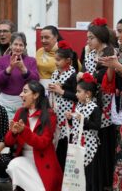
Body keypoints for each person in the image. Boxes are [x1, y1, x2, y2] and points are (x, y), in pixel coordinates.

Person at [78, 17, 116, 190]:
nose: (88, 41)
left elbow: (105, 78)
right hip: (92, 98)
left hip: (106, 100)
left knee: (104, 136)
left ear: (100, 37)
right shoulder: (90, 53)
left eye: (91, 37)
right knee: (93, 136)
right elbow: (88, 73)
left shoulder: (109, 52)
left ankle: (106, 179)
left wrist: (88, 78)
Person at [5, 80, 63, 191]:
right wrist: (13, 132)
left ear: (35, 95)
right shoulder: (20, 112)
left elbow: (42, 143)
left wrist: (24, 131)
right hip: (25, 161)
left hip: (44, 162)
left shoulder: (49, 115)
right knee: (13, 165)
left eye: (25, 91)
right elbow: (8, 142)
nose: (20, 94)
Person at [99, 12, 122, 191]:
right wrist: (111, 66)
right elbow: (110, 80)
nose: (117, 35)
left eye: (120, 31)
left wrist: (117, 65)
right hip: (120, 102)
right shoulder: (119, 51)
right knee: (120, 147)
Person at [66, 72, 101, 191]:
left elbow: (96, 126)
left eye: (78, 92)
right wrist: (70, 119)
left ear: (88, 94)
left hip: (89, 143)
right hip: (77, 141)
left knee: (89, 171)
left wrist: (83, 120)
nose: (76, 94)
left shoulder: (94, 108)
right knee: (78, 169)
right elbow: (75, 126)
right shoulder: (79, 106)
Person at [0, 32, 39, 120]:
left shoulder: (31, 61)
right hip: (5, 101)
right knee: (6, 129)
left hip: (25, 101)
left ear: (24, 47)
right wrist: (10, 68)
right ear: (10, 45)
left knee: (22, 129)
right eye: (15, 44)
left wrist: (23, 68)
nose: (18, 47)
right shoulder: (0, 60)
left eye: (21, 45)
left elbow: (36, 81)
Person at [48, 40, 77, 170]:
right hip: (55, 111)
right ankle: (57, 170)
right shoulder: (55, 73)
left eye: (59, 60)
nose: (56, 62)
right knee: (56, 140)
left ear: (68, 61)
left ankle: (65, 171)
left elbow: (77, 96)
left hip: (67, 113)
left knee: (66, 142)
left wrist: (61, 91)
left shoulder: (73, 75)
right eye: (56, 59)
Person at [36, 25, 63, 92]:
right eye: (41, 38)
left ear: (56, 37)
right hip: (40, 90)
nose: (43, 40)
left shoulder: (64, 52)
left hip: (57, 90)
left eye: (46, 37)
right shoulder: (39, 51)